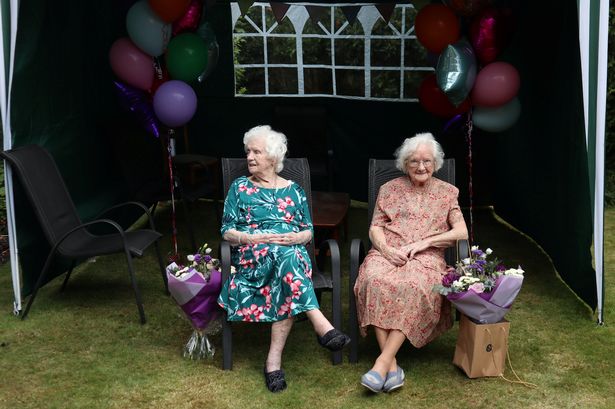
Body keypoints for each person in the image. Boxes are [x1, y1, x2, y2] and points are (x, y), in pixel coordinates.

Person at [218, 125, 350, 393]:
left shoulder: (294, 190)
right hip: (252, 258)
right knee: (286, 261)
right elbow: (226, 231)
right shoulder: (240, 187)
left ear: (273, 157)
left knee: (287, 259)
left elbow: (308, 231)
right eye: (248, 152)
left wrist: (295, 238)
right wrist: (253, 239)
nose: (250, 157)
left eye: (257, 151)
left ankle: (273, 361)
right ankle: (321, 325)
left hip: (290, 256)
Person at [354, 132, 468, 393]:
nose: (421, 167)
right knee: (373, 279)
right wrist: (384, 249)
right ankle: (391, 367)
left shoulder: (447, 193)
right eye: (414, 161)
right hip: (388, 252)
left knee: (414, 285)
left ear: (435, 163)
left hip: (426, 258)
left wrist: (425, 243)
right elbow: (375, 228)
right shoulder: (389, 189)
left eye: (427, 161)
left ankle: (381, 363)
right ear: (405, 163)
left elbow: (461, 232)